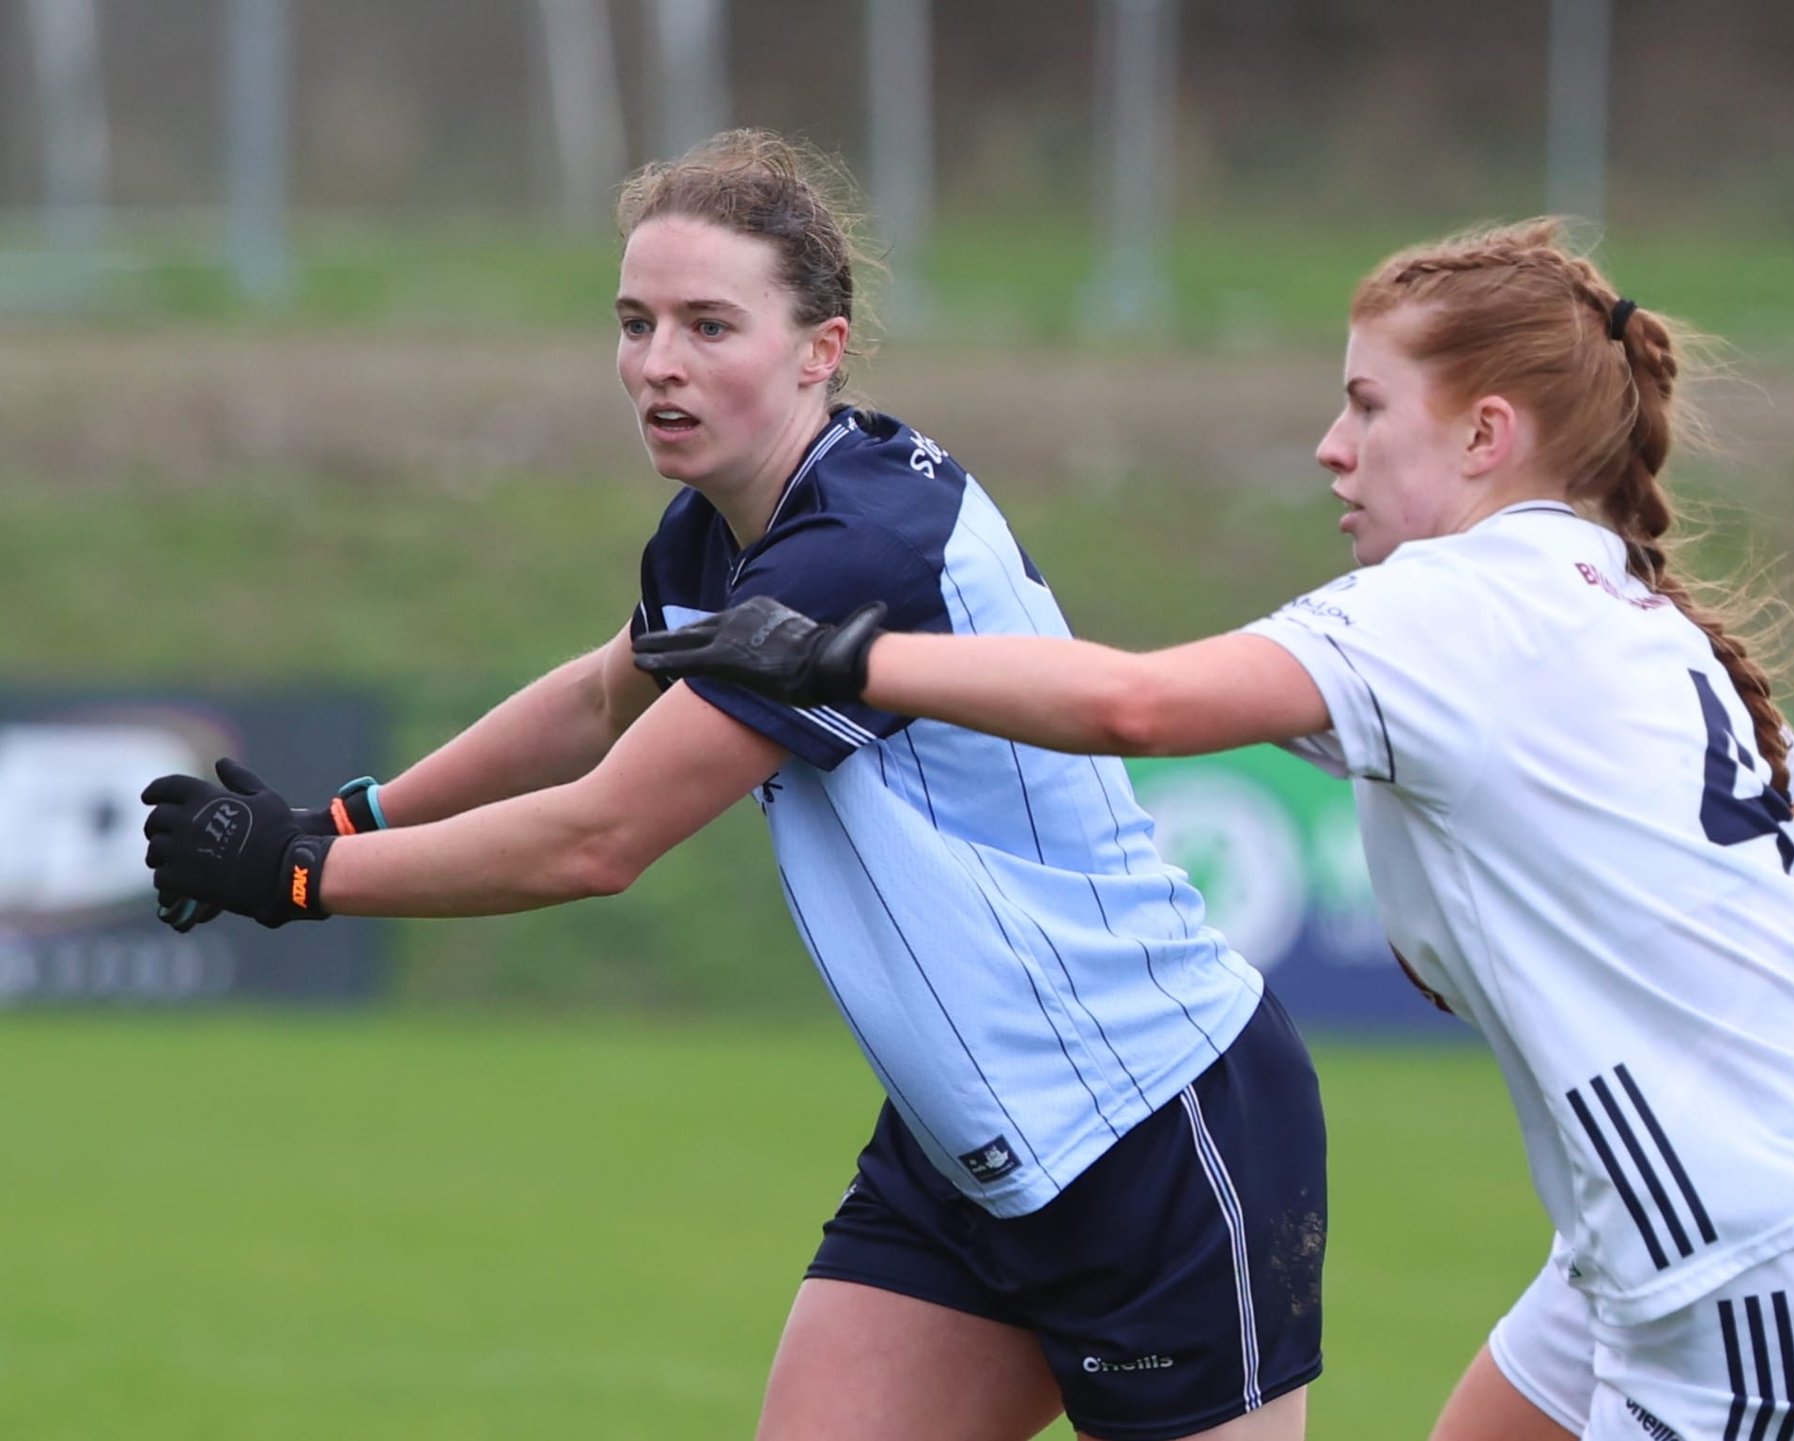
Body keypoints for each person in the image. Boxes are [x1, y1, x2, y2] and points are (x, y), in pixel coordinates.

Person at [631, 218, 1794, 1440]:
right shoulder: (1615, 608)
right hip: (1676, 1249)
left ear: (1484, 434)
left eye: (1366, 406)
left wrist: (845, 660)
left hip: (1751, 1282)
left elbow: (1136, 704)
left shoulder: (1457, 609)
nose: (1330, 446)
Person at [139, 129, 1328, 1441]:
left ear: (822, 346)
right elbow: (601, 698)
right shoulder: (724, 524)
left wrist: (302, 875)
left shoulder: (854, 545)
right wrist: (352, 817)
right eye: (636, 323)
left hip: (1149, 1125)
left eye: (710, 325)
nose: (658, 364)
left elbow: (600, 838)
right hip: (964, 1143)